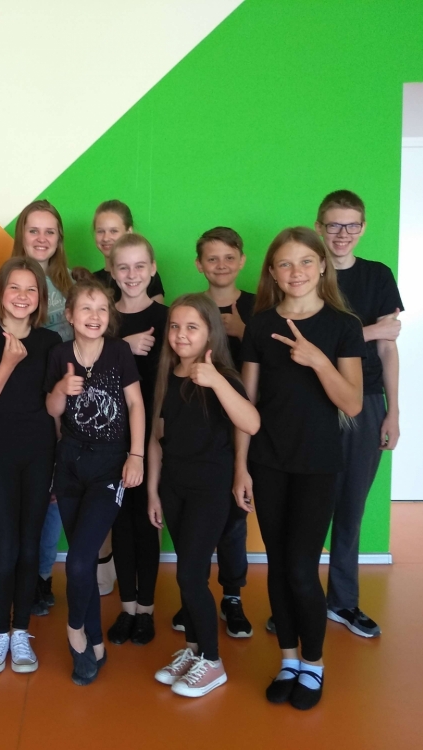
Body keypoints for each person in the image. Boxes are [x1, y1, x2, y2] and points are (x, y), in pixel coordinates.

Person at [234, 227, 365, 710]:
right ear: (272, 271)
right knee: (276, 564)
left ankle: (313, 664)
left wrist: (317, 361)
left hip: (317, 465)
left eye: (306, 261)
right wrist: (241, 467)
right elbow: (247, 405)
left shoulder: (343, 326)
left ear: (322, 266)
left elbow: (352, 402)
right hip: (268, 462)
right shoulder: (259, 324)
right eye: (285, 264)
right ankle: (288, 659)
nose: (296, 272)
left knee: (301, 568)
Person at [148, 294, 260, 697]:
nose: (181, 334)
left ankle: (212, 662)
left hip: (209, 490)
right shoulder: (168, 374)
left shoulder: (223, 376)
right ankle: (194, 649)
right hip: (174, 488)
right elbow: (157, 439)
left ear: (210, 332)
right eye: (175, 326)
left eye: (191, 327)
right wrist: (153, 492)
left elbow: (251, 422)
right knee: (187, 571)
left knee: (190, 575)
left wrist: (215, 381)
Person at [44, 273, 146, 685]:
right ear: (69, 315)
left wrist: (136, 455)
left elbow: (135, 405)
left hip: (109, 464)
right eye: (86, 308)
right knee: (81, 563)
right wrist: (61, 388)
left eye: (102, 309)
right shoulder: (59, 353)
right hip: (69, 462)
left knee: (79, 560)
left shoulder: (119, 352)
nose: (95, 315)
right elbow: (52, 410)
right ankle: (95, 640)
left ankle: (75, 632)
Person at [0, 257, 61, 673]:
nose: (22, 296)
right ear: (0, 294)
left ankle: (20, 630)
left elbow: (55, 410)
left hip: (39, 456)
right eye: (15, 288)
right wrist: (7, 364)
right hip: (0, 458)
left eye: (31, 289)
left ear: (40, 298)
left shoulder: (50, 342)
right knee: (4, 550)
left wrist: (59, 463)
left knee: (28, 548)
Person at [315, 190, 403, 639]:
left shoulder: (377, 276)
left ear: (363, 228)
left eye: (351, 225)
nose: (342, 233)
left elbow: (389, 347)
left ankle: (343, 602)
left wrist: (393, 411)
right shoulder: (307, 274)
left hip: (368, 401)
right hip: (313, 401)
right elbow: (309, 345)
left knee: (350, 508)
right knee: (310, 508)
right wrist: (368, 330)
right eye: (334, 225)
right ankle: (300, 602)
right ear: (319, 227)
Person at [0, 199, 73, 615]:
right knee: (10, 519)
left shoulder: (71, 285)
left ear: (59, 239)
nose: (41, 238)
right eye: (33, 230)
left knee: (50, 500)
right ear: (21, 234)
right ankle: (13, 582)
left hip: (61, 401)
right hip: (12, 413)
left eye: (49, 231)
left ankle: (40, 575)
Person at [169, 226, 256, 638]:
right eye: (212, 258)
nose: (220, 265)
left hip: (237, 428)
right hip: (194, 437)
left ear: (242, 260)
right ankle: (195, 595)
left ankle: (232, 597)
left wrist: (243, 331)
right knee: (195, 536)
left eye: (228, 257)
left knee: (233, 523)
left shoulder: (255, 308)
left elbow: (251, 410)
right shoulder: (191, 313)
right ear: (199, 264)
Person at [105, 234, 168, 646]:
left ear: (153, 268)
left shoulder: (168, 317)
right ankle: (127, 607)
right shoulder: (104, 319)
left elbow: (174, 376)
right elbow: (86, 366)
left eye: (140, 266)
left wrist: (160, 429)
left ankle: (146, 609)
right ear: (112, 272)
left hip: (154, 439)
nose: (132, 275)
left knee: (147, 521)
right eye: (123, 267)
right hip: (109, 437)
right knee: (120, 523)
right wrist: (121, 347)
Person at [91, 200, 164, 303]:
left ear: (128, 231)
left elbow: (156, 311)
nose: (106, 238)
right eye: (100, 231)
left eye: (114, 231)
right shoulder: (92, 280)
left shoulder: (146, 276)